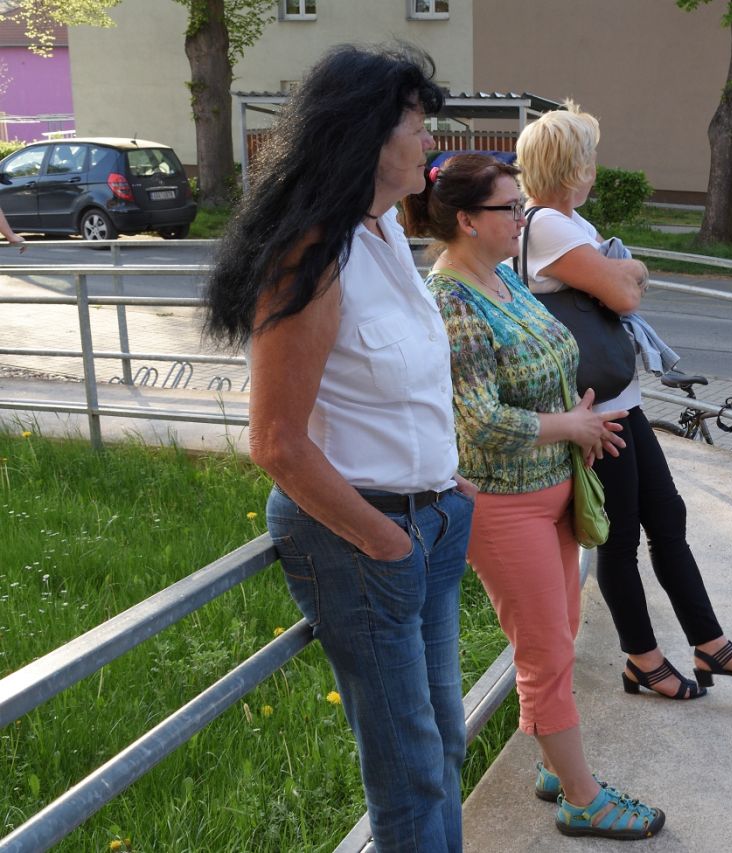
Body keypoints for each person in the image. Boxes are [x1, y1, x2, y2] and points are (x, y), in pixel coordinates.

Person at [202, 45, 475, 853]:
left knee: (444, 743)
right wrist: (383, 539)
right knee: (411, 770)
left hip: (430, 521)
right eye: (417, 125)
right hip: (361, 538)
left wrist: (445, 484)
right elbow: (275, 442)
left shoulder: (385, 230)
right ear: (367, 134)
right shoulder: (312, 257)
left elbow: (405, 388)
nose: (430, 141)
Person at [407, 153, 665, 841]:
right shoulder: (450, 300)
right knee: (544, 649)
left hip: (556, 488)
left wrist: (576, 420)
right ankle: (582, 798)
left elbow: (552, 354)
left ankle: (555, 761)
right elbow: (479, 418)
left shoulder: (503, 277)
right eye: (510, 208)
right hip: (503, 505)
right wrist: (569, 426)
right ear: (468, 220)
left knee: (562, 631)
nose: (523, 218)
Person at [515, 102, 732, 702]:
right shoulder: (548, 225)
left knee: (667, 518)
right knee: (621, 539)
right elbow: (627, 295)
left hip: (621, 401)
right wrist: (629, 267)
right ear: (572, 166)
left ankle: (710, 643)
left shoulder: (570, 223)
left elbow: (623, 284)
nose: (595, 169)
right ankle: (643, 659)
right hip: (595, 409)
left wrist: (624, 272)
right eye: (589, 158)